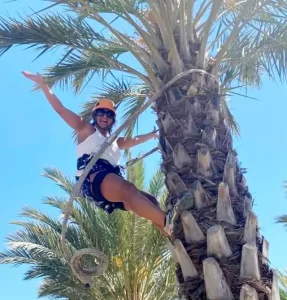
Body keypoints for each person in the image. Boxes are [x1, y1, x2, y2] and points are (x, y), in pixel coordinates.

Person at [22, 71, 172, 236]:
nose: (104, 117)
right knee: (128, 190)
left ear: (112, 119)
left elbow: (134, 140)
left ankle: (173, 235)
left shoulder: (116, 141)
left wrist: (152, 135)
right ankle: (169, 222)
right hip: (94, 176)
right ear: (95, 115)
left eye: (109, 114)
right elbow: (61, 110)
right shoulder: (85, 129)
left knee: (151, 201)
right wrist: (44, 85)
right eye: (101, 113)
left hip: (110, 179)